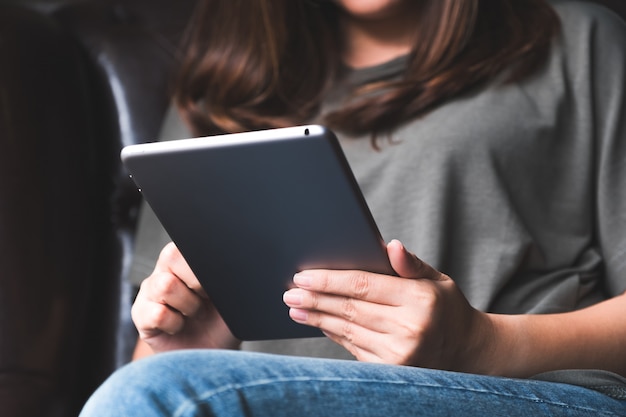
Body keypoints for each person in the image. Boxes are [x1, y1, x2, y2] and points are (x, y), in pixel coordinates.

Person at [81, 0, 626, 415]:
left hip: (526, 393)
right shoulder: (218, 95)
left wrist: (484, 345)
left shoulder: (576, 41)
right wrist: (183, 350)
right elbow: (152, 376)